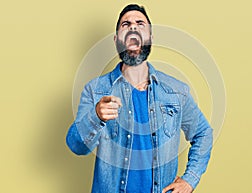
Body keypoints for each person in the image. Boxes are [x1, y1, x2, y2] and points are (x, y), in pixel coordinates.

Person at [66, 4, 213, 193]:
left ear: (150, 37)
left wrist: (190, 180)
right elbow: (76, 146)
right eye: (125, 24)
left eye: (140, 23)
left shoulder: (176, 91)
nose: (133, 27)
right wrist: (96, 116)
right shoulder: (96, 90)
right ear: (116, 39)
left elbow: (203, 133)